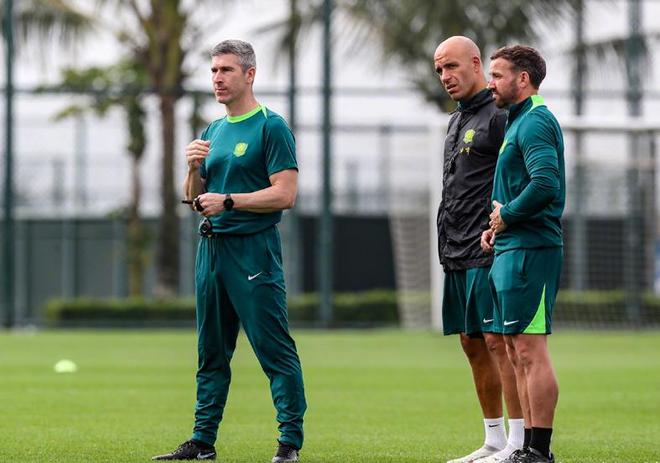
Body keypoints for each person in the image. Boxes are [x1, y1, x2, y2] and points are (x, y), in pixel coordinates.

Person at [152, 39, 306, 463]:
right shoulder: (212, 131)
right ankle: (202, 442)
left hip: (253, 252)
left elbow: (285, 194)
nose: (217, 79)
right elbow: (194, 198)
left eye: (226, 70)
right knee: (211, 353)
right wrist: (192, 169)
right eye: (214, 71)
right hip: (211, 251)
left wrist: (231, 201)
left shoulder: (271, 127)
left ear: (249, 75)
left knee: (274, 351)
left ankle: (289, 443)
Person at [433, 36, 524, 463]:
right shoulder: (457, 119)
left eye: (451, 66)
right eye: (439, 70)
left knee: (497, 341)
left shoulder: (500, 116)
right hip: (455, 248)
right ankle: (493, 439)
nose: (445, 76)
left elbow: (521, 176)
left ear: (475, 63)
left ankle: (519, 441)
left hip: (488, 247)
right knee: (471, 343)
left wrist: (505, 224)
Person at [481, 45, 565, 463]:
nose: (490, 83)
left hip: (532, 250)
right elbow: (518, 189)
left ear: (523, 79)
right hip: (512, 247)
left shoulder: (535, 121)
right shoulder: (517, 122)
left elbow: (546, 183)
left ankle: (540, 451)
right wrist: (496, 227)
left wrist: (508, 215)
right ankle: (527, 448)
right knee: (515, 350)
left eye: (497, 75)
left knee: (530, 350)